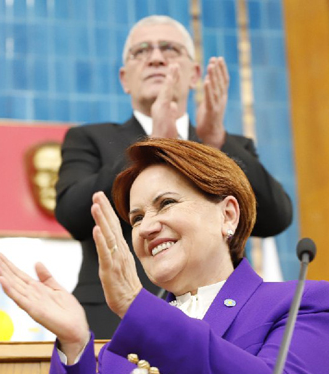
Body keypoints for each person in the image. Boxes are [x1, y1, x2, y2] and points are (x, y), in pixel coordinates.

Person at [0, 138, 329, 374]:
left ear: (228, 215)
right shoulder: (120, 346)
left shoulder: (303, 302)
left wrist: (135, 307)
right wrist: (75, 344)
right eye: (137, 217)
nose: (145, 228)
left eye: (166, 204)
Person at [54, 15, 293, 339]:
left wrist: (216, 141)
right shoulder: (90, 138)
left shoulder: (225, 144)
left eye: (170, 48)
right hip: (114, 324)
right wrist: (151, 146)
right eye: (141, 51)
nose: (156, 57)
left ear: (194, 74)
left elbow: (276, 218)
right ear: (125, 79)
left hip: (222, 326)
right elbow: (72, 214)